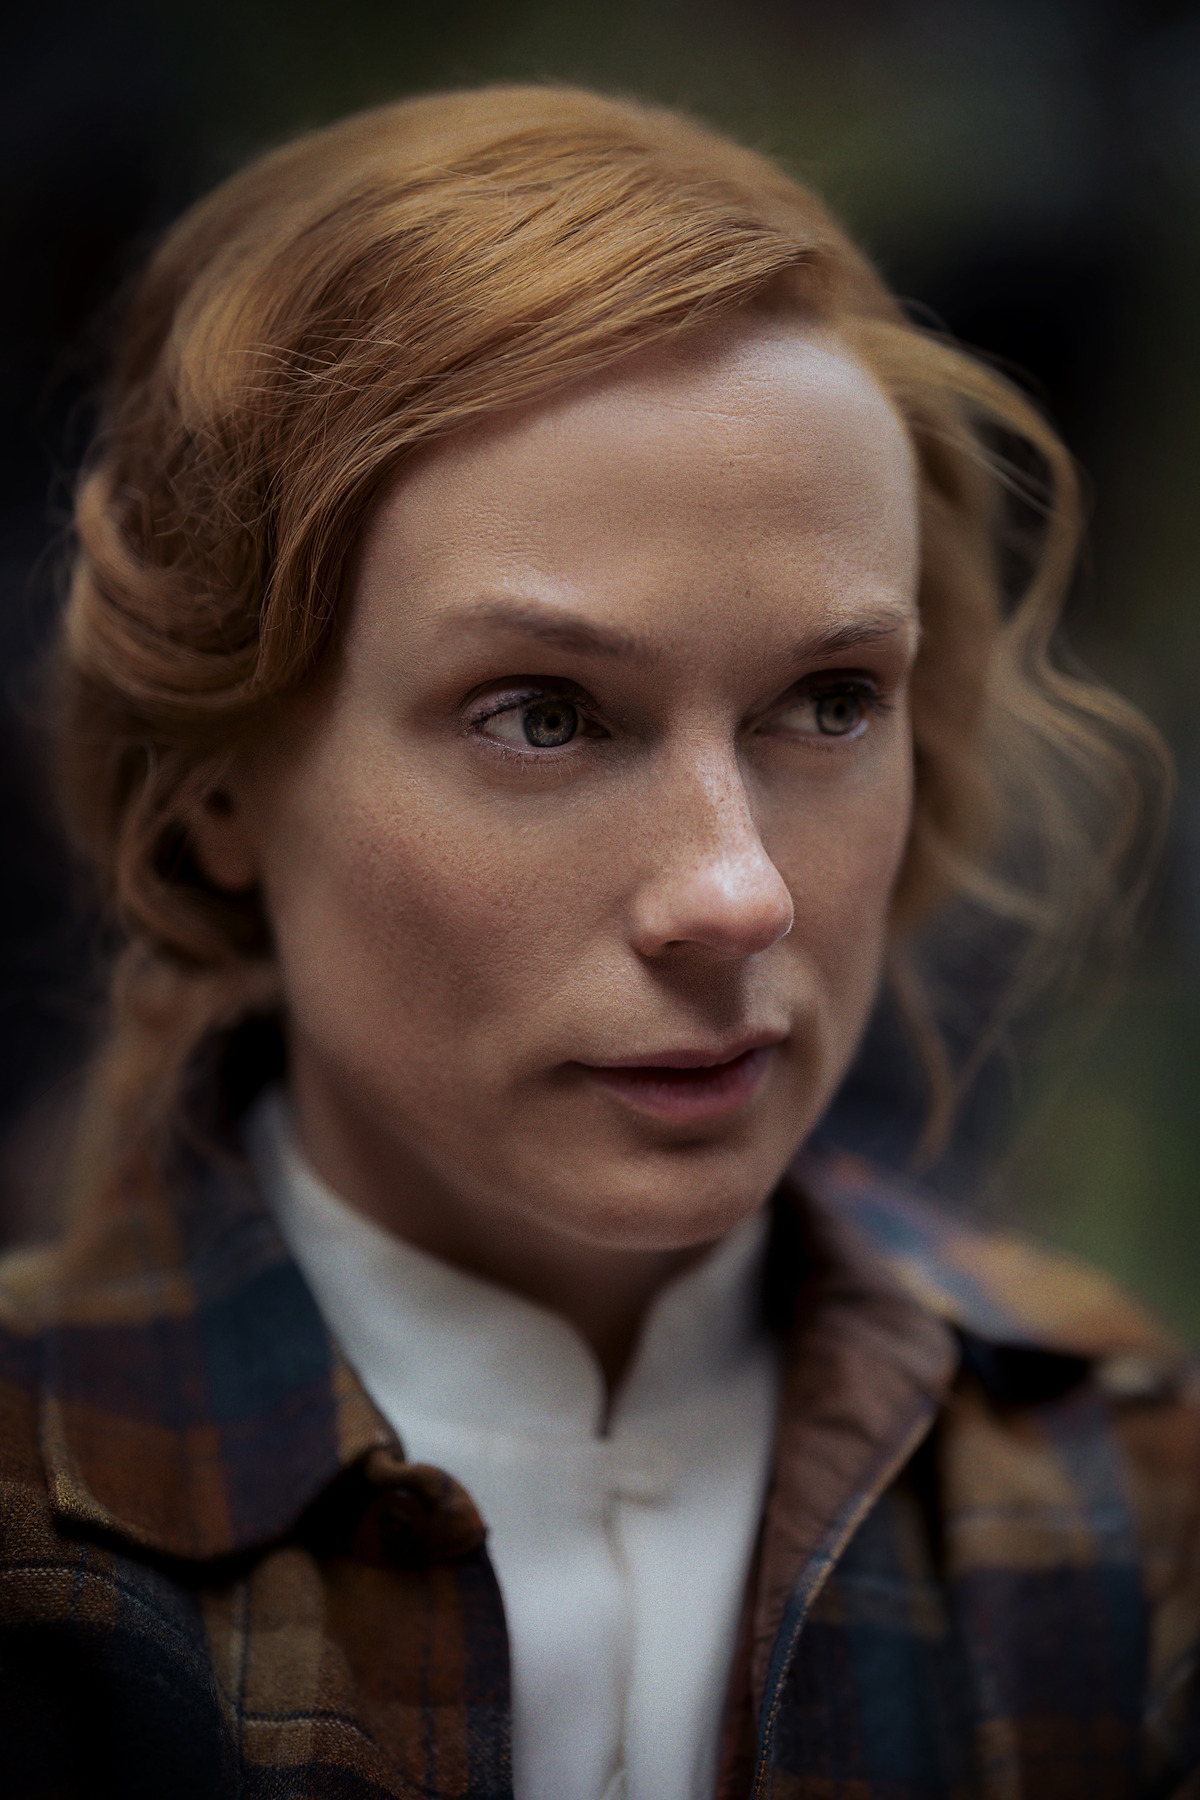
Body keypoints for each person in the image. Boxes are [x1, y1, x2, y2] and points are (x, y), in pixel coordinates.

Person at [0, 82, 1195, 1800]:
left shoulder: (1126, 1502)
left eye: (829, 700)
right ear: (219, 791)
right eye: (544, 715)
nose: (736, 894)